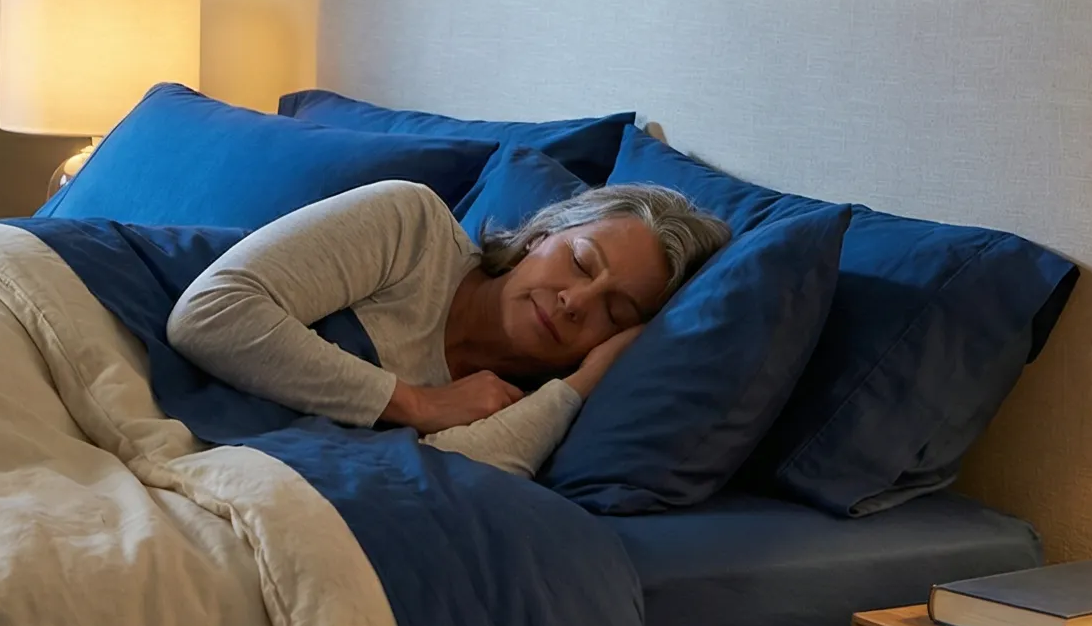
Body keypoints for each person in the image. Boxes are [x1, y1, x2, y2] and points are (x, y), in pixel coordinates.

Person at [166, 178, 731, 475]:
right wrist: (416, 404)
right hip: (110, 319)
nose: (575, 302)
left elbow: (442, 487)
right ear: (539, 236)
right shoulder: (412, 228)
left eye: (615, 313)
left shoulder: (522, 408)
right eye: (581, 262)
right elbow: (210, 315)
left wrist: (579, 386)